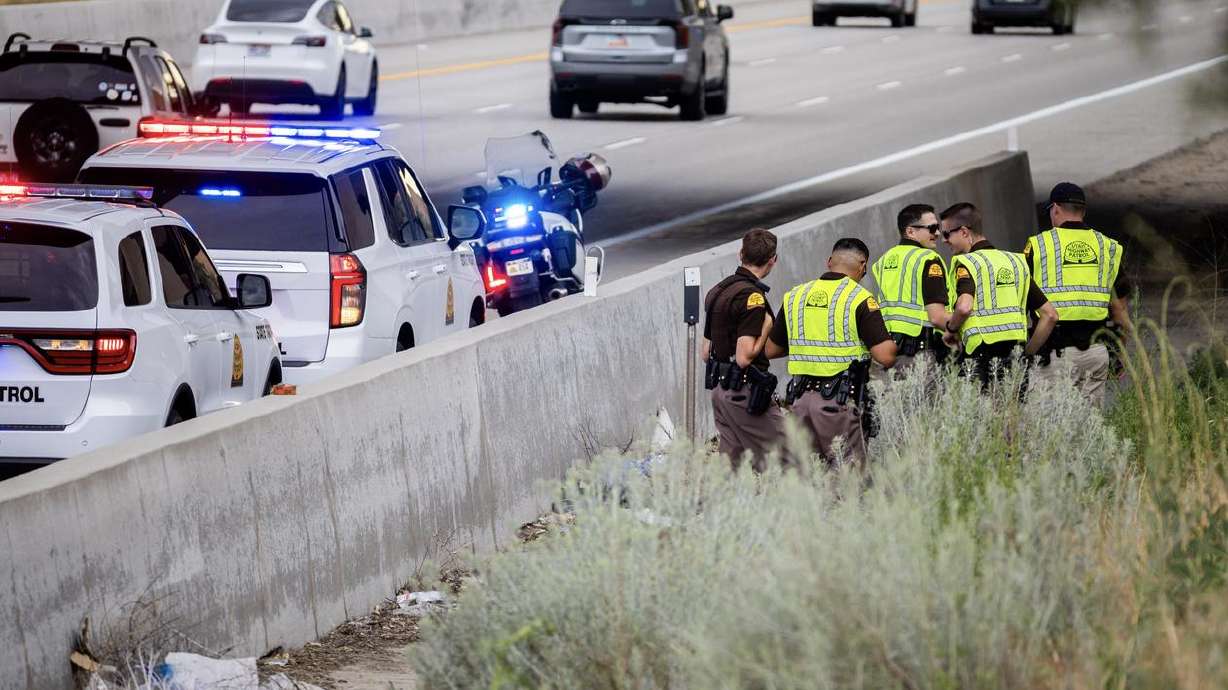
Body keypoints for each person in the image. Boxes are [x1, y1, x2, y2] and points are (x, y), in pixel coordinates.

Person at [766, 238, 897, 467]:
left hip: (800, 403)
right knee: (847, 478)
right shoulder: (859, 298)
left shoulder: (795, 296)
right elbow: (885, 356)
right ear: (863, 266)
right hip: (839, 403)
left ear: (829, 262)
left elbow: (770, 349)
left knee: (808, 475)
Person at [1024, 183, 1133, 407]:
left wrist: (1025, 351)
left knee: (1049, 428)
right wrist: (1118, 353)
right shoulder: (1108, 248)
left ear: (1055, 209)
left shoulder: (1039, 246)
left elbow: (1020, 298)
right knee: (1088, 429)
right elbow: (1120, 312)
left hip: (1054, 354)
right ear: (1083, 211)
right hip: (1096, 353)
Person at [939, 202, 1058, 388]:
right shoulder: (1016, 261)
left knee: (985, 415)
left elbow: (964, 307)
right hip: (1016, 360)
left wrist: (951, 330)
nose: (943, 240)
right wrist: (1027, 354)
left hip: (981, 361)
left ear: (964, 232)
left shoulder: (966, 263)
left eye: (946, 234)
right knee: (1014, 415)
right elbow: (1050, 315)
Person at [702, 228, 786, 472]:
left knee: (732, 466)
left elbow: (706, 352)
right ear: (773, 260)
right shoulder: (752, 297)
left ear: (741, 253)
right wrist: (767, 327)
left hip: (720, 391)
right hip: (745, 392)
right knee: (790, 455)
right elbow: (743, 356)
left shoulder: (717, 291)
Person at [869, 204, 952, 377]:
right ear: (911, 232)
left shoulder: (884, 260)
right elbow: (936, 317)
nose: (937, 233)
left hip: (890, 353)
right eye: (932, 228)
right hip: (922, 356)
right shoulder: (928, 259)